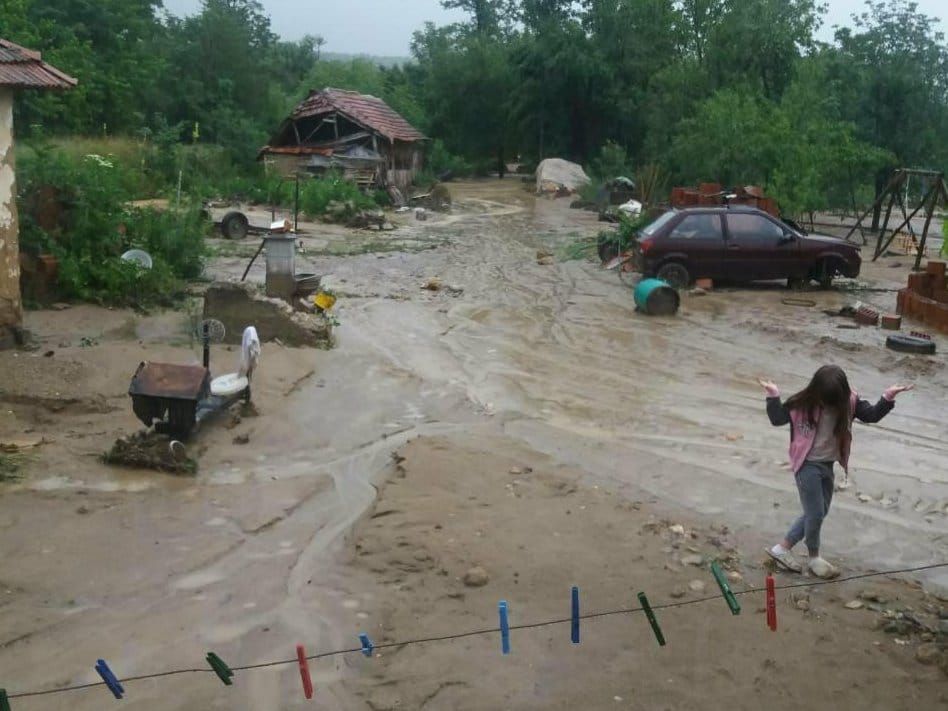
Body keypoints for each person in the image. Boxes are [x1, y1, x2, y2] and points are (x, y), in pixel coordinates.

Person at [757, 366, 913, 579]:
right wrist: (773, 395)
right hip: (806, 465)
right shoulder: (802, 403)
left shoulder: (849, 401)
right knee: (816, 513)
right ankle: (813, 558)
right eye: (825, 400)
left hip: (827, 465)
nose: (828, 405)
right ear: (816, 391)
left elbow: (871, 415)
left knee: (819, 511)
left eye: (832, 401)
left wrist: (888, 396)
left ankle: (781, 548)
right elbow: (777, 419)